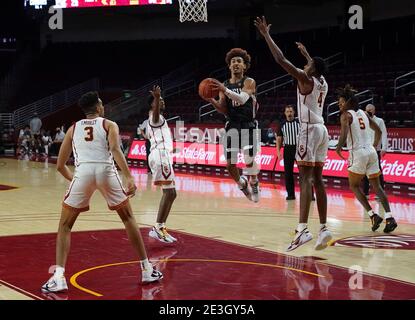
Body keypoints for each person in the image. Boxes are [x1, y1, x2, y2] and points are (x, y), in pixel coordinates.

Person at [41, 91, 162, 293]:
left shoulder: (72, 128)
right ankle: (147, 269)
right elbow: (115, 150)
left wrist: (79, 182)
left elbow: (60, 165)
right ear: (98, 107)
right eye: (101, 103)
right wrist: (129, 177)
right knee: (128, 218)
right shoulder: (109, 124)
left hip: (84, 172)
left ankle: (59, 277)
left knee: (65, 225)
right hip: (106, 171)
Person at [255, 16, 331, 251]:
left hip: (308, 130)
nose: (305, 66)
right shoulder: (323, 82)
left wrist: (266, 35)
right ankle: (324, 227)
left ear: (311, 70)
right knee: (318, 179)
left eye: (308, 65)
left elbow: (280, 59)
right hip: (323, 130)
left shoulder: (305, 79)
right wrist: (308, 55)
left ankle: (302, 230)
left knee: (305, 178)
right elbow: (316, 65)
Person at [335, 85, 397, 233]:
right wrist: (374, 145)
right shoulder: (364, 113)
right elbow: (379, 130)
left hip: (357, 153)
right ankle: (389, 218)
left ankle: (372, 215)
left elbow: (343, 135)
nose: (339, 104)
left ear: (349, 102)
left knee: (354, 185)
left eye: (341, 102)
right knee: (378, 187)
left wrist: (338, 148)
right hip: (371, 152)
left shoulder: (345, 115)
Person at [206, 48, 261, 203]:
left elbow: (243, 99)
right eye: (233, 61)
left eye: (239, 61)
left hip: (248, 123)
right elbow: (223, 109)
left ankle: (254, 182)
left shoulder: (249, 82)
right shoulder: (224, 85)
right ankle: (242, 183)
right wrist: (211, 100)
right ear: (229, 66)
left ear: (245, 66)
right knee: (230, 164)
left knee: (249, 159)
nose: (236, 64)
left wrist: (224, 90)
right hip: (232, 125)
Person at [146, 86, 178, 243]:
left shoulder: (158, 120)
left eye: (162, 100)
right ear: (153, 104)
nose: (162, 101)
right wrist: (157, 97)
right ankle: (157, 228)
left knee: (172, 193)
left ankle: (161, 227)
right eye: (159, 101)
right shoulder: (154, 117)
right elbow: (156, 113)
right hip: (160, 156)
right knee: (169, 192)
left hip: (163, 155)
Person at [362, 104, 387, 197]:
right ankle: (366, 193)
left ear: (374, 111)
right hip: (365, 149)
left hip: (375, 149)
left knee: (378, 171)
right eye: (367, 109)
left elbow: (384, 134)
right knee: (365, 172)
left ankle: (381, 193)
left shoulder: (379, 121)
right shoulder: (363, 121)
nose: (369, 111)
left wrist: (384, 148)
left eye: (371, 109)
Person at [276, 105, 300, 200]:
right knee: (288, 173)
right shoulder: (282, 125)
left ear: (294, 112)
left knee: (304, 173)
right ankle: (291, 194)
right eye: (287, 112)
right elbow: (279, 139)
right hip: (288, 149)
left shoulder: (299, 123)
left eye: (291, 111)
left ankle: (310, 194)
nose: (289, 113)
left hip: (299, 149)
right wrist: (278, 151)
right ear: (285, 113)